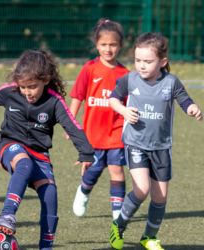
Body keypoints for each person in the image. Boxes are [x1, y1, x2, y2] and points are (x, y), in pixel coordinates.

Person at [0, 49, 95, 250]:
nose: (27, 92)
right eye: (23, 87)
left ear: (45, 80)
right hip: (11, 145)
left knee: (50, 194)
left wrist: (86, 152)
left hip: (39, 154)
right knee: (24, 163)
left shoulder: (54, 101)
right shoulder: (11, 92)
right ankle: (7, 214)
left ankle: (46, 246)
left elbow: (72, 125)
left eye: (32, 87)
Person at [108, 32, 202, 250]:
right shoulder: (130, 79)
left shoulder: (170, 82)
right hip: (136, 144)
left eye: (148, 62)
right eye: (138, 60)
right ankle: (119, 225)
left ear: (163, 62)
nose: (141, 66)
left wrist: (192, 108)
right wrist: (123, 110)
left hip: (161, 147)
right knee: (141, 189)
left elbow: (184, 99)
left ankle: (149, 237)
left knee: (160, 197)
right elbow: (113, 98)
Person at [69, 19, 128, 220]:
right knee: (92, 172)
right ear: (96, 45)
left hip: (116, 132)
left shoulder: (125, 74)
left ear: (120, 46)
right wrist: (71, 125)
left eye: (113, 45)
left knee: (116, 169)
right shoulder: (89, 69)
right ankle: (83, 191)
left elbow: (129, 106)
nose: (108, 49)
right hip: (93, 134)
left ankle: (118, 212)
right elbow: (77, 96)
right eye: (104, 45)